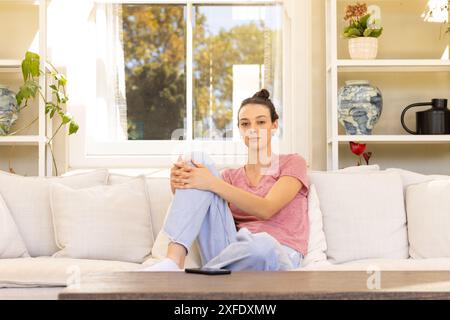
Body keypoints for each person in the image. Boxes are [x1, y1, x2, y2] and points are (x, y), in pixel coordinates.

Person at [145, 89, 309, 271]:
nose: (253, 129)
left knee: (262, 244)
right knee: (196, 159)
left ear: (274, 125)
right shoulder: (230, 177)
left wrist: (211, 183)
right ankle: (174, 261)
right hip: (230, 249)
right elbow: (196, 203)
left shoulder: (293, 162)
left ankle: (206, 274)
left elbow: (267, 209)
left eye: (261, 122)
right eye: (245, 124)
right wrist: (178, 181)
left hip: (277, 252)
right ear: (239, 129)